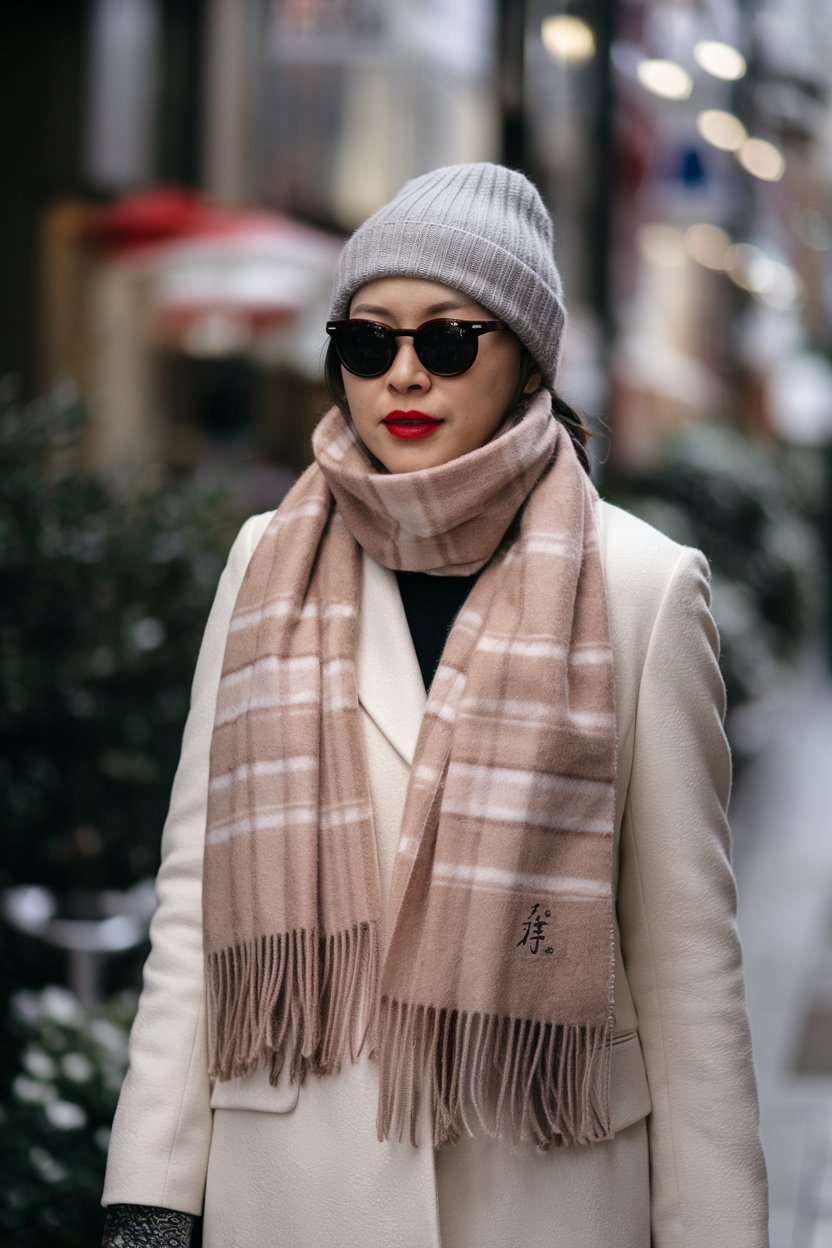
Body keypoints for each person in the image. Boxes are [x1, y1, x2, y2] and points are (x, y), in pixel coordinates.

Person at [101, 163, 769, 1248]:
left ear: (524, 360)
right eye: (369, 342)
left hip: (541, 1191)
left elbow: (686, 958)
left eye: (447, 340)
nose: (402, 375)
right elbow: (195, 898)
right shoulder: (264, 561)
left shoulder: (642, 586)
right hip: (295, 1188)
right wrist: (150, 1196)